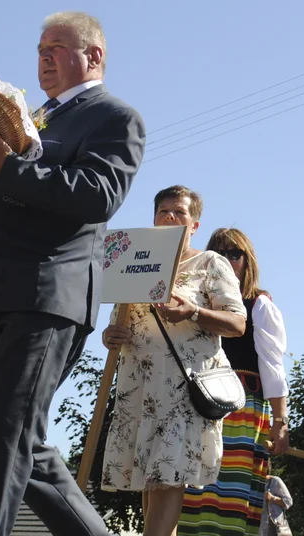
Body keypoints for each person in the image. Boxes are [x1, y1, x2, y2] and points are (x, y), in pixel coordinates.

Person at [0, 12, 146, 536]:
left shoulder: (114, 117)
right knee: (19, 446)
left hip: (46, 295)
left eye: (56, 47)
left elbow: (97, 195)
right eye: (39, 48)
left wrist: (5, 168)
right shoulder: (31, 119)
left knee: (2, 442)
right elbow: (7, 197)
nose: (44, 57)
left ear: (93, 56)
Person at [101, 185, 248, 536]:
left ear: (193, 225)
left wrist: (194, 311)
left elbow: (238, 323)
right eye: (163, 210)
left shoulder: (210, 263)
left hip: (184, 390)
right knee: (152, 483)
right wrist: (111, 337)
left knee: (168, 478)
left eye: (179, 212)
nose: (170, 216)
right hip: (138, 388)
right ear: (153, 219)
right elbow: (118, 322)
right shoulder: (132, 259)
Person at [179, 227, 290, 536]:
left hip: (242, 408)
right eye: (220, 253)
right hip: (197, 403)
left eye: (235, 254)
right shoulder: (194, 303)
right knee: (192, 489)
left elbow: (273, 366)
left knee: (232, 495)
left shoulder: (259, 306)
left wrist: (281, 421)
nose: (227, 261)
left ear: (247, 261)